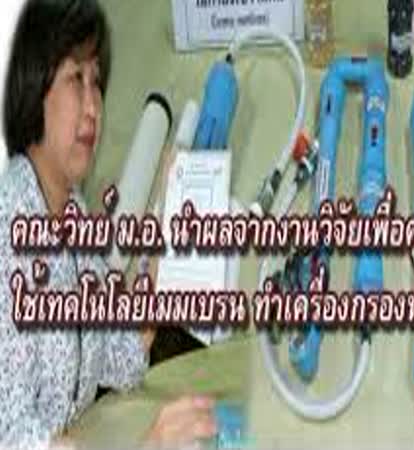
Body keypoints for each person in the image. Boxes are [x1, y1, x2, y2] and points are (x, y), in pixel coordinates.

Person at [0, 1, 219, 449]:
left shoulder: (70, 214)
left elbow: (113, 351)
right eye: (75, 79)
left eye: (96, 82)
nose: (93, 107)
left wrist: (162, 251)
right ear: (33, 89)